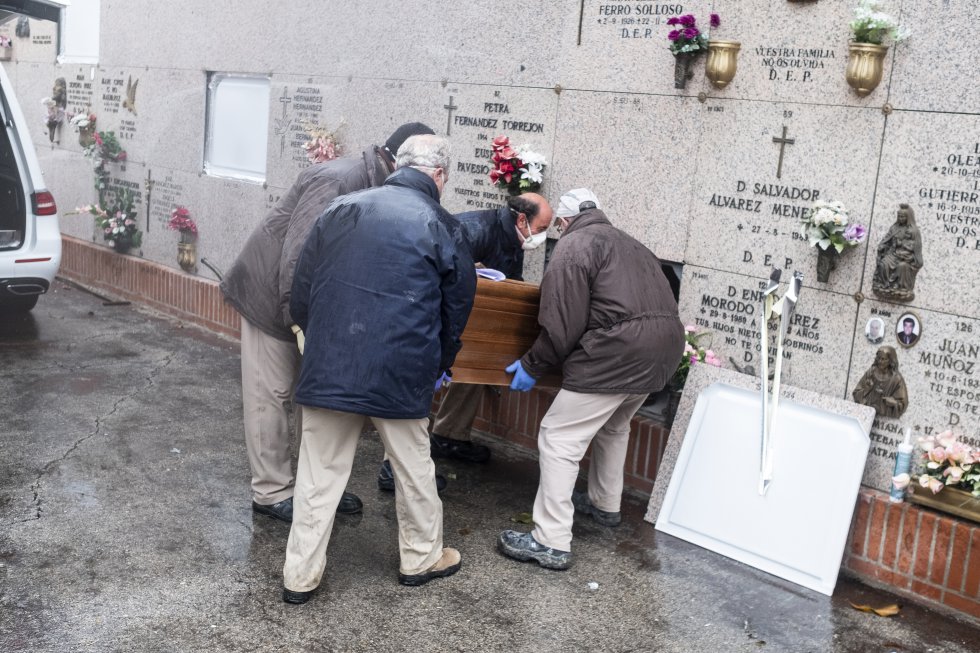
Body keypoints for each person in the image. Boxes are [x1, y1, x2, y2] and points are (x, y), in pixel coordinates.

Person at [282, 135, 475, 603]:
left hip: (331, 363)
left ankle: (299, 576)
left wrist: (321, 341)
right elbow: (456, 310)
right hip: (401, 368)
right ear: (439, 175)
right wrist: (440, 363)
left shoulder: (341, 208)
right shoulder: (442, 225)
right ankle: (421, 557)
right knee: (412, 468)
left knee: (317, 473)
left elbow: (302, 289)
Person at [220, 122, 436, 524]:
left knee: (315, 397)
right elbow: (296, 255)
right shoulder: (339, 178)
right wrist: (297, 322)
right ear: (400, 159)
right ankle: (271, 492)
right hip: (271, 299)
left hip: (314, 306)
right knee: (273, 395)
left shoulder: (381, 184)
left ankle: (313, 489)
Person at [497, 189, 685, 570]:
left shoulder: (574, 246)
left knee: (559, 437)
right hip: (663, 353)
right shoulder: (633, 245)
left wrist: (533, 364)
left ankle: (550, 540)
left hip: (617, 352)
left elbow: (561, 322)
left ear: (564, 222)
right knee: (615, 427)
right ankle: (605, 504)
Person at [376, 193, 554, 489]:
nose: (543, 235)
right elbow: (435, 267)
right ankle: (392, 466)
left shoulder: (514, 238)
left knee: (477, 367)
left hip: (467, 316)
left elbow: (511, 281)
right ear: (522, 219)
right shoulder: (475, 228)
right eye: (542, 226)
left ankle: (449, 435)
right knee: (419, 383)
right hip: (435, 314)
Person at [872, 204, 923, 302]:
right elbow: (887, 239)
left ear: (908, 217)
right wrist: (882, 246)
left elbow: (916, 249)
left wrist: (910, 257)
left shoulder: (914, 231)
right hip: (894, 254)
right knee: (884, 264)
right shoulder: (894, 228)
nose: (900, 218)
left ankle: (901, 288)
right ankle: (884, 285)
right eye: (899, 216)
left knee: (902, 266)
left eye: (903, 216)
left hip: (906, 258)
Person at [851, 346, 909, 418]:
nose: (880, 361)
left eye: (883, 359)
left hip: (885, 418)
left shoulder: (896, 379)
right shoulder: (871, 372)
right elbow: (856, 393)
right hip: (866, 415)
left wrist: (894, 403)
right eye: (878, 358)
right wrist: (867, 389)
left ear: (890, 361)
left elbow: (903, 404)